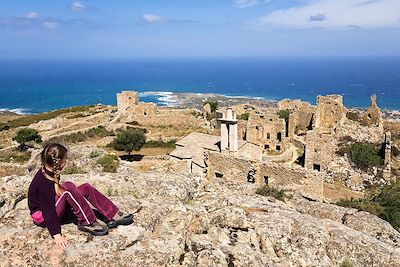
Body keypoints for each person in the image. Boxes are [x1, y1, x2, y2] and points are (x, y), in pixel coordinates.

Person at [28, 143, 133, 249]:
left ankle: (112, 213)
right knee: (68, 190)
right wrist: (56, 235)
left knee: (84, 187)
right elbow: (48, 211)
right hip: (43, 217)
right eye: (65, 159)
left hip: (52, 206)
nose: (66, 161)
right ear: (58, 161)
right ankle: (87, 222)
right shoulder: (43, 182)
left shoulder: (49, 171)